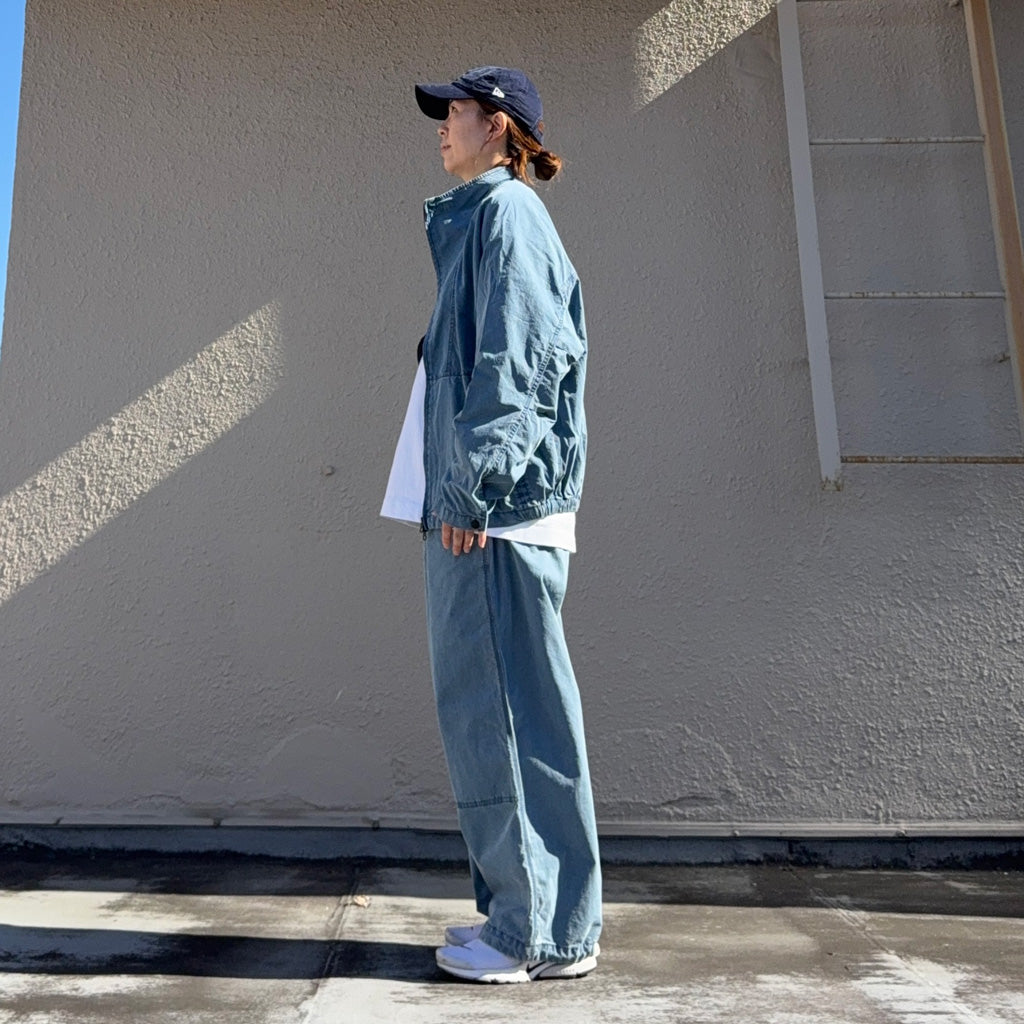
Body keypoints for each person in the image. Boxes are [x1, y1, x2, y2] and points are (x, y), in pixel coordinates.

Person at [381, 65, 602, 984]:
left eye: (457, 112)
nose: (442, 126)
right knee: (508, 719)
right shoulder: (490, 218)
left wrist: (472, 487)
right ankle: (537, 917)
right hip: (489, 511)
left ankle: (531, 933)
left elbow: (521, 359)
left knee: (500, 719)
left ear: (499, 126)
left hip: (493, 517)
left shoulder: (508, 215)